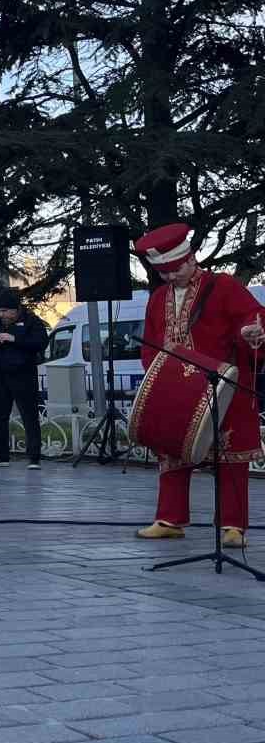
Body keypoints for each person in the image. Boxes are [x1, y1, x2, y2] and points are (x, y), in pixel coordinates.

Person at [132, 222, 264, 546]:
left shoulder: (224, 286)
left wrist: (251, 333)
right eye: (163, 273)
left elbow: (252, 318)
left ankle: (233, 527)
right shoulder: (157, 298)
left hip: (224, 386)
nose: (170, 277)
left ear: (191, 259)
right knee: (171, 453)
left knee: (231, 456)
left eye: (176, 269)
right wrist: (159, 377)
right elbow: (150, 345)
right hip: (177, 392)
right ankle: (169, 519)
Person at [0, 288, 48, 469]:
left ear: (15, 309)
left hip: (23, 374)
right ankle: (1, 456)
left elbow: (41, 342)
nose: (1, 314)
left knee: (29, 415)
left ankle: (34, 458)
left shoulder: (32, 321)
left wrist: (13, 339)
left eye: (5, 311)